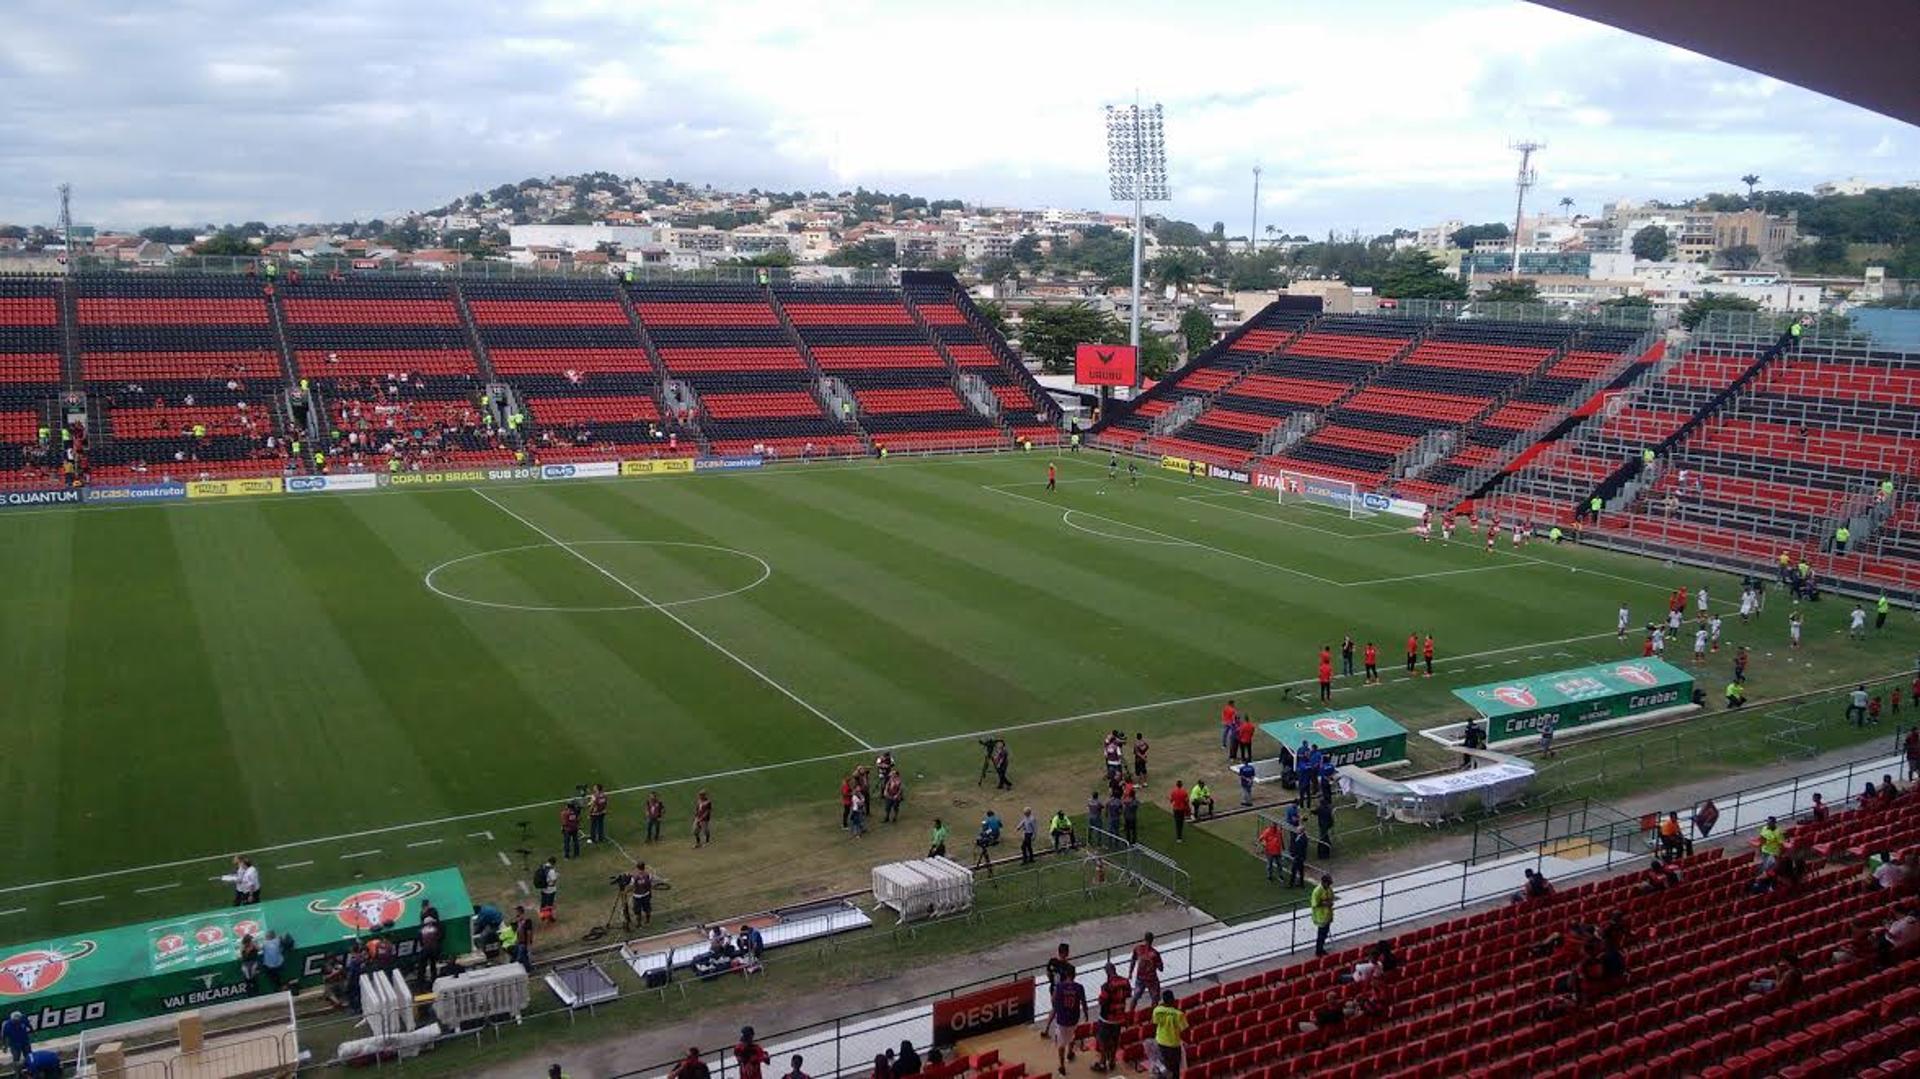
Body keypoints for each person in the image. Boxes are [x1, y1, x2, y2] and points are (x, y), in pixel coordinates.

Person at [1051, 964, 1087, 1073]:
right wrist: (1086, 1013)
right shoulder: (1079, 987)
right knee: (1072, 1035)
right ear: (1075, 975)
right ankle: (1070, 1052)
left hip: (1062, 1019)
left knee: (1061, 1044)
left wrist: (1057, 1009)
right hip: (1074, 1018)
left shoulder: (1060, 986)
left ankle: (1062, 1065)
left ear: (1066, 974)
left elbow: (1053, 1000)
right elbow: (1084, 1002)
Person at [1093, 963, 1129, 1073]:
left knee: (1102, 1040)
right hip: (1119, 1016)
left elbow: (1102, 1001)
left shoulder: (1107, 985)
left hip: (1107, 1017)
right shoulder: (1125, 981)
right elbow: (1128, 994)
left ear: (1107, 972)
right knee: (1114, 1039)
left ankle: (1103, 1063)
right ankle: (1112, 1061)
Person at [1151, 990, 1188, 1079]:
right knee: (1175, 1069)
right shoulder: (1179, 1014)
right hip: (1174, 1045)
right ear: (1173, 1000)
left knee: (1162, 1067)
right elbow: (1185, 1030)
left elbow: (1155, 1023)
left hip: (1160, 1042)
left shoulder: (1157, 1011)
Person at [1129, 933, 1164, 1009]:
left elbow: (1133, 960)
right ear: (1152, 940)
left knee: (1135, 997)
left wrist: (1130, 973)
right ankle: (1153, 1016)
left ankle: (1130, 1015)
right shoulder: (1155, 953)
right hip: (1151, 979)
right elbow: (1161, 969)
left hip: (1141, 978)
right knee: (1155, 999)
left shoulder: (1138, 948)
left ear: (1144, 939)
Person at [1311, 874, 1336, 956]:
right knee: (1321, 935)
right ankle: (1318, 951)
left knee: (1324, 934)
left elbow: (1332, 897)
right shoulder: (1317, 891)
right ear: (1323, 882)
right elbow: (1315, 904)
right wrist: (1325, 903)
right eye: (1328, 883)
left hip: (1328, 915)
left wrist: (1330, 902)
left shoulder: (1329, 889)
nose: (1329, 885)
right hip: (1320, 917)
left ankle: (1321, 949)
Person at [1287, 806, 1310, 887]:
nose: (1297, 831)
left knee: (1294, 870)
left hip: (1299, 857)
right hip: (1299, 856)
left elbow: (1301, 848)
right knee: (1300, 870)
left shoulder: (1303, 838)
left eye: (1298, 830)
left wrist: (1295, 854)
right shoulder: (1300, 837)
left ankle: (1292, 884)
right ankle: (1301, 883)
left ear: (1301, 831)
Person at [535, 857, 560, 922]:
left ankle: (542, 916)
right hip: (550, 890)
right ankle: (549, 917)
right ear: (553, 863)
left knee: (543, 903)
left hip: (543, 889)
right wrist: (556, 875)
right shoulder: (551, 870)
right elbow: (554, 881)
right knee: (549, 905)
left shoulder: (542, 867)